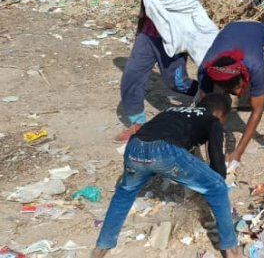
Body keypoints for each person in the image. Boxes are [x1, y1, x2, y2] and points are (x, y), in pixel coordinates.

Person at [92, 94, 241, 258]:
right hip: (164, 151)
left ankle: (100, 248)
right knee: (217, 188)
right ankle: (231, 250)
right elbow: (216, 161)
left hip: (134, 147)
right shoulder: (212, 120)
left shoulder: (171, 110)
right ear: (221, 114)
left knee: (124, 194)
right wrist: (216, 182)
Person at [116, 0, 199, 142]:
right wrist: (139, 27)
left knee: (177, 83)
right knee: (131, 77)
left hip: (171, 33)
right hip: (148, 32)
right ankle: (138, 124)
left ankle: (208, 93)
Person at [197, 21, 264, 165]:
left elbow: (257, 110)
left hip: (261, 35)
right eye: (233, 91)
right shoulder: (205, 71)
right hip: (232, 31)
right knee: (207, 108)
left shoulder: (255, 65)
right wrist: (214, 160)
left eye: (240, 87)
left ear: (244, 76)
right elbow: (208, 115)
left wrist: (238, 152)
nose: (240, 94)